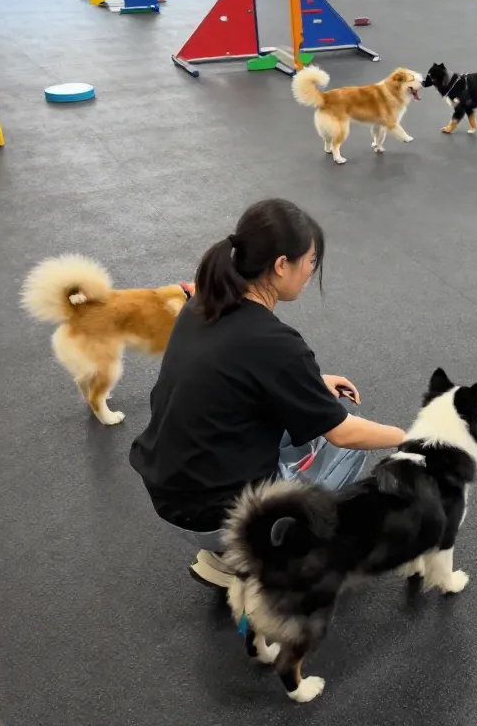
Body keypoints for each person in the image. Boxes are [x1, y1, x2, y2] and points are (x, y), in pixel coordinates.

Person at [129, 198, 407, 588]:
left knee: (312, 413)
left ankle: (229, 553)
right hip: (214, 513)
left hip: (169, 492)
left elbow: (233, 373)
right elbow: (344, 434)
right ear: (281, 265)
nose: (312, 271)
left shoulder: (202, 305)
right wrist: (410, 438)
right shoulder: (275, 343)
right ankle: (265, 555)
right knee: (349, 443)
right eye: (310, 261)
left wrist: (312, 381)